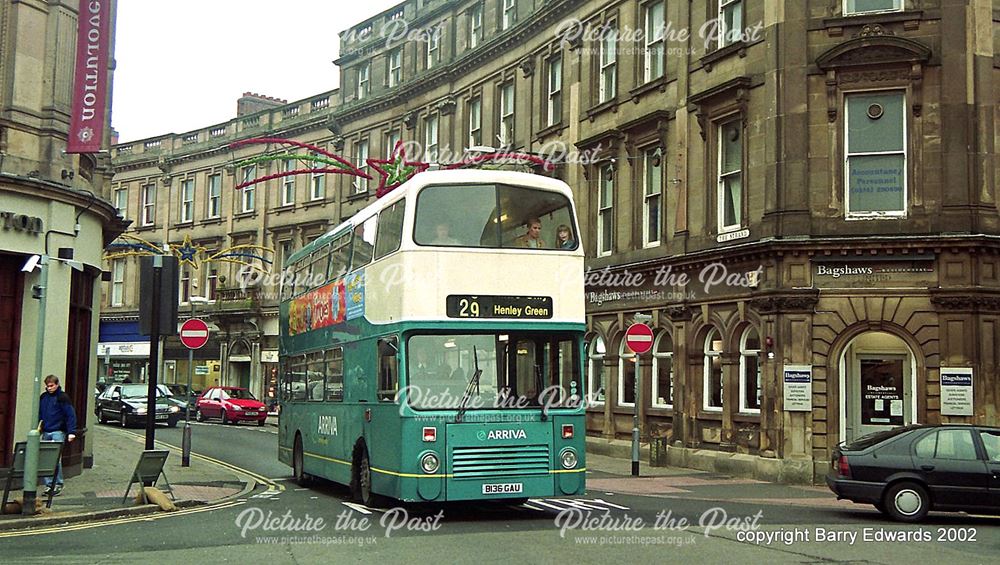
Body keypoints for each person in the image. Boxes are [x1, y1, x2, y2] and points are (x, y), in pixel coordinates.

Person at [38, 375, 77, 496]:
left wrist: (71, 432)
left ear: (57, 384)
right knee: (46, 459)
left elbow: (70, 415)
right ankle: (49, 485)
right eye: (47, 386)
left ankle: (57, 484)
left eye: (51, 386)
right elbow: (40, 413)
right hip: (46, 431)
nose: (49, 388)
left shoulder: (62, 397)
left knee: (55, 459)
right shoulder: (44, 397)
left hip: (58, 431)